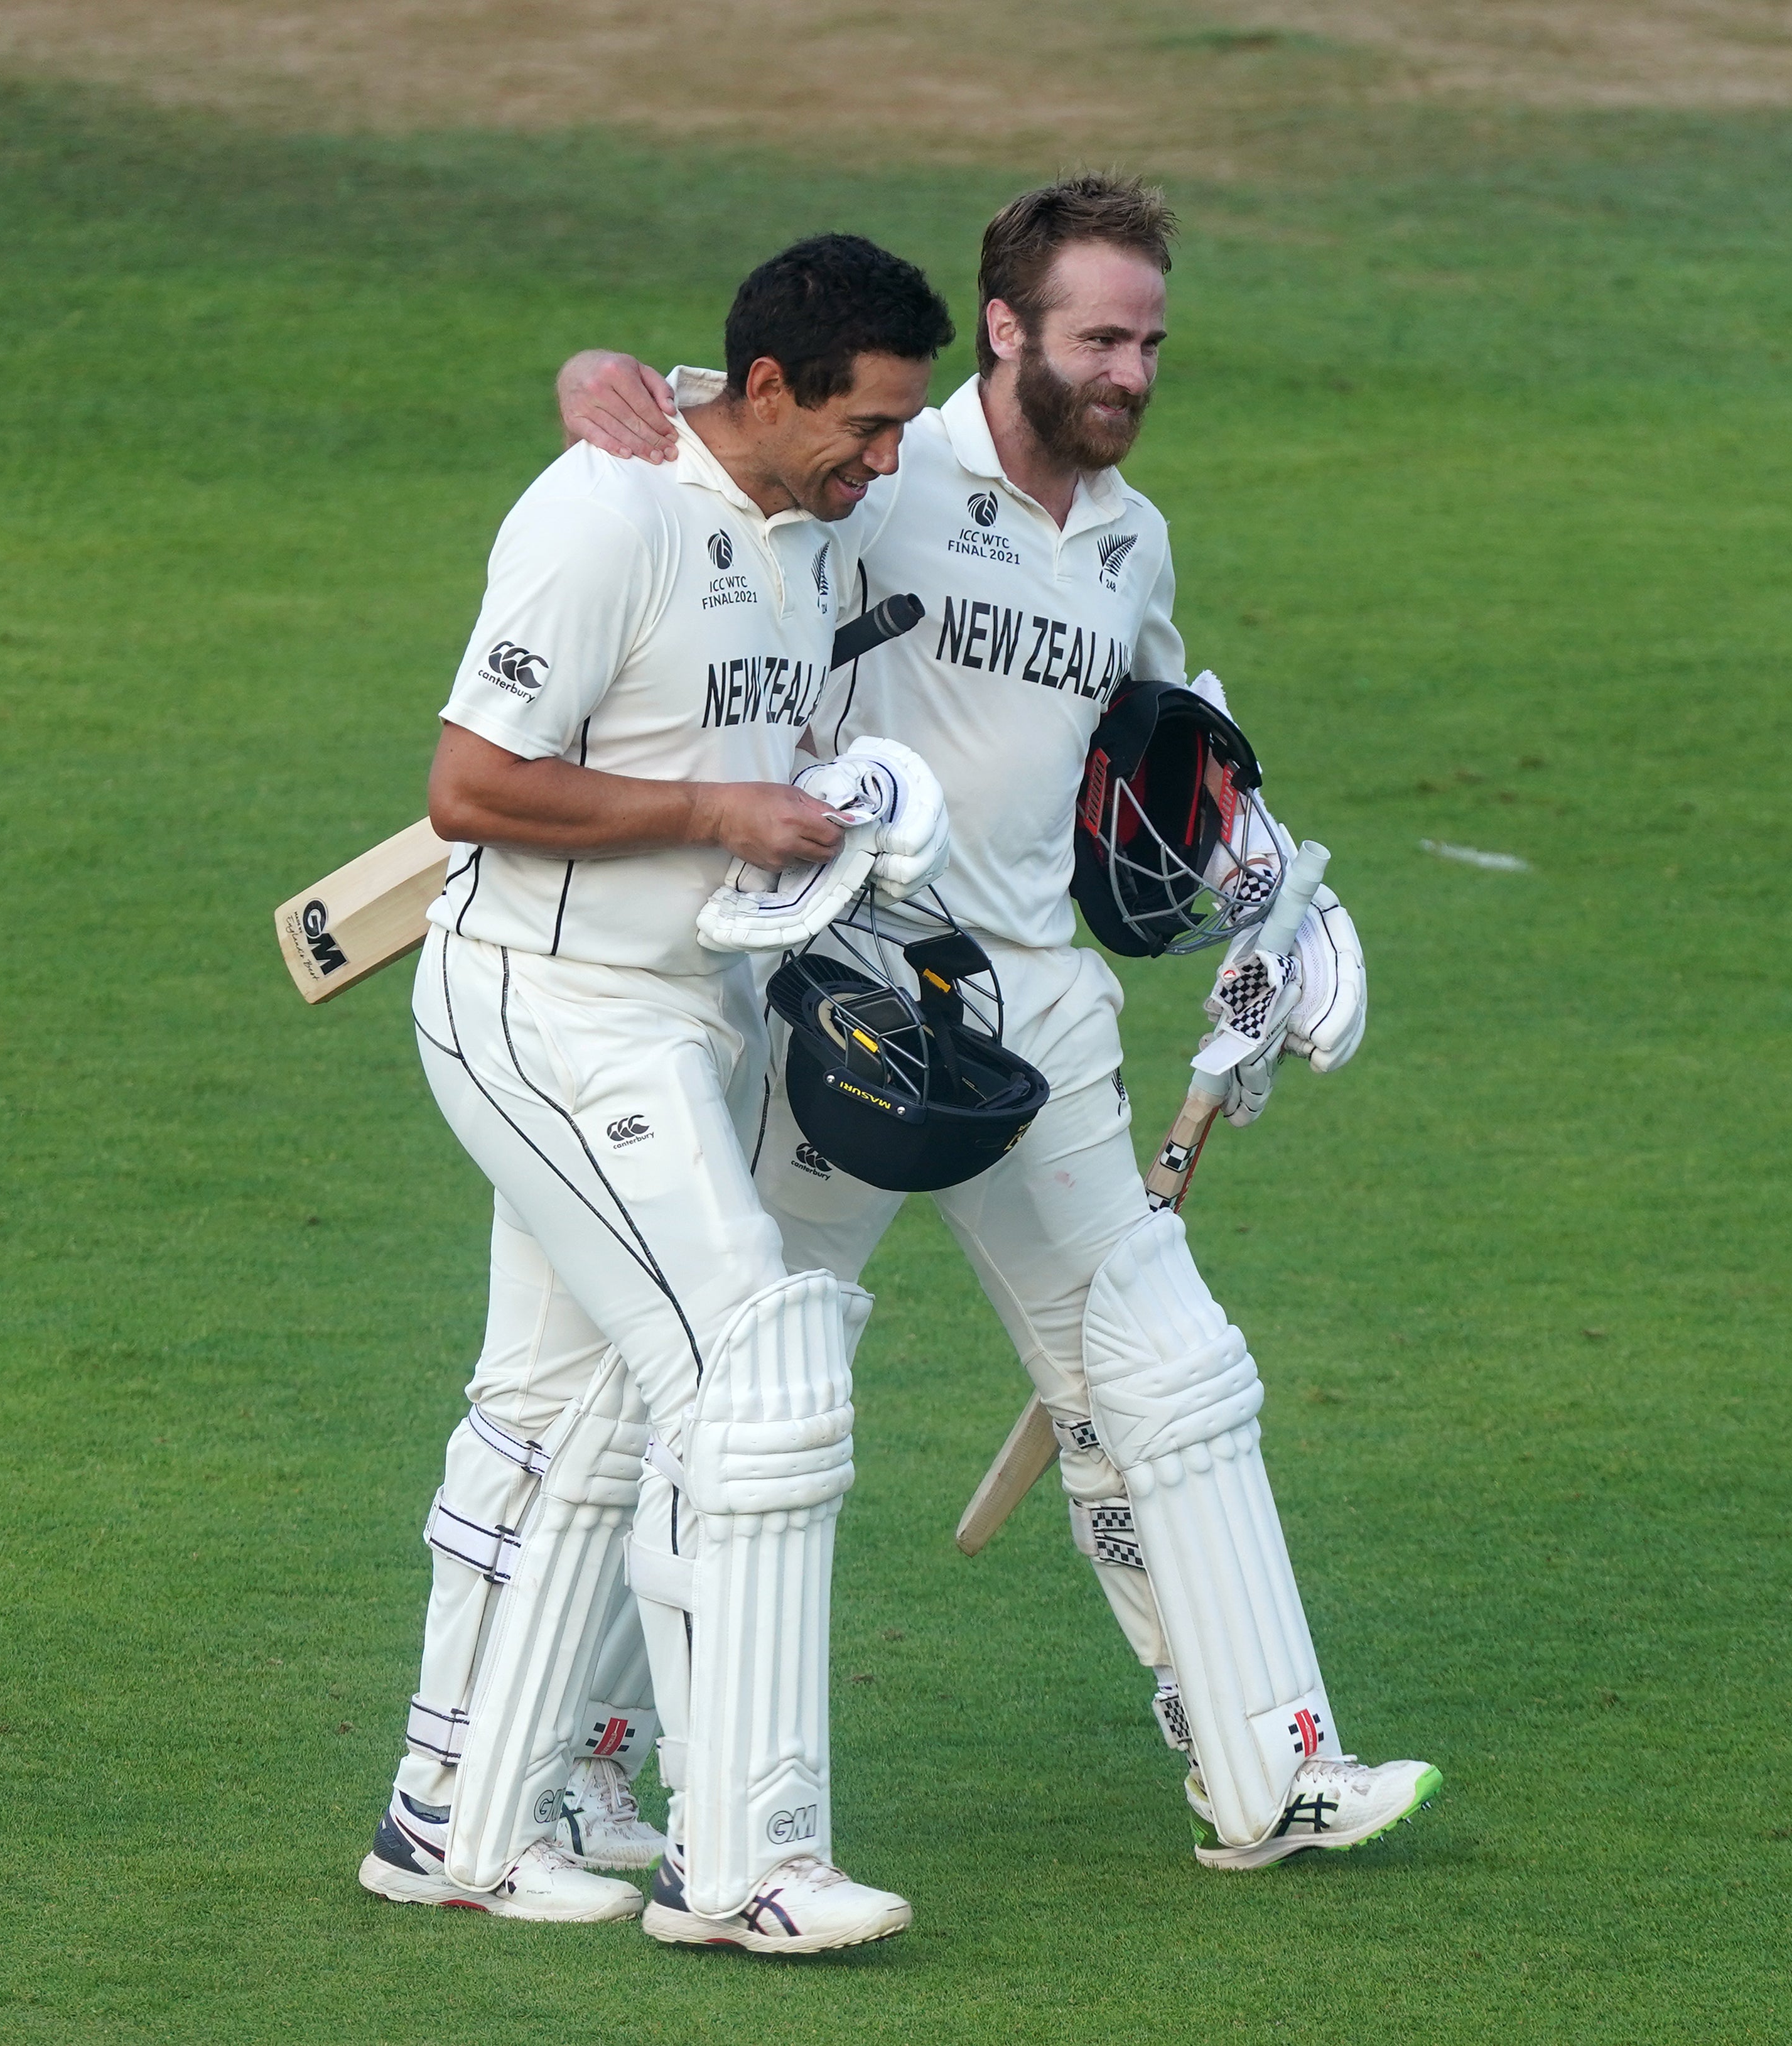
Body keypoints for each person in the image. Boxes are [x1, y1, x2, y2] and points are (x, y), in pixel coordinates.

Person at [553, 176, 1440, 1868]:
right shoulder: (880, 462)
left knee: (1169, 1375)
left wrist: (1277, 906)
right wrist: (597, 365)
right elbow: (689, 411)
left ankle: (1270, 1765)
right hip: (854, 995)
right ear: (1013, 328)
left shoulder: (1131, 536)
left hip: (1048, 1013)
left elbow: (1176, 751)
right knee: (750, 1384)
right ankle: (592, 1755)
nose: (1132, 372)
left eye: (1154, 342)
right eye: (1102, 337)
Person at [363, 233, 954, 1952]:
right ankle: (745, 1858)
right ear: (767, 389)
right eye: (866, 425)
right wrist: (716, 816)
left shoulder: (804, 527)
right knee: (754, 1371)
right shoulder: (602, 513)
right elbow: (471, 784)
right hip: (546, 1008)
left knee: (555, 1415)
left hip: (684, 1010)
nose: (888, 461)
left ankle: (451, 1815)